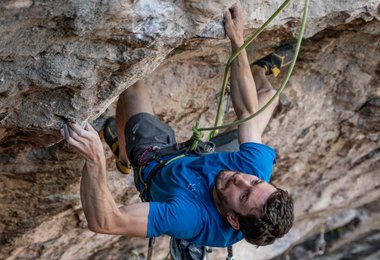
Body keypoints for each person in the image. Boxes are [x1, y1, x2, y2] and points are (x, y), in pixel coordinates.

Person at [62, 1, 294, 249]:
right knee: (268, 96)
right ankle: (260, 70)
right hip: (206, 162)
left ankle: (124, 157)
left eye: (244, 195)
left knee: (132, 85)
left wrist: (95, 160)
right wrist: (237, 40)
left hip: (161, 165)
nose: (242, 180)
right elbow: (246, 111)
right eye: (256, 182)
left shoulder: (191, 218)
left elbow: (106, 222)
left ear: (232, 220)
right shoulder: (252, 170)